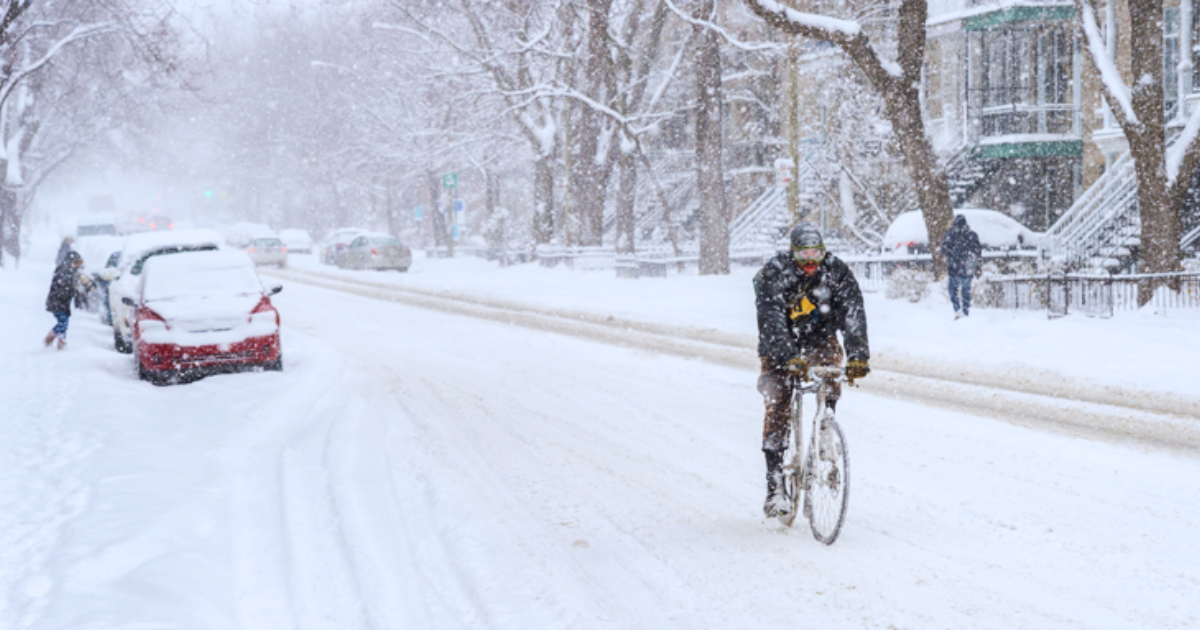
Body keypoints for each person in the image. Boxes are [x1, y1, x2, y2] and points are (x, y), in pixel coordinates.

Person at [753, 223, 870, 519]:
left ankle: (825, 424)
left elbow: (853, 311)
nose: (810, 261)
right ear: (793, 252)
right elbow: (771, 319)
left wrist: (857, 355)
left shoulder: (836, 272)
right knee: (778, 398)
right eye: (803, 253)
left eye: (815, 253)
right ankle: (775, 484)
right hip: (780, 341)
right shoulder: (775, 273)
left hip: (819, 336)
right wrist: (787, 355)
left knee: (831, 367)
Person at [940, 215, 982, 319]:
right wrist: (977, 266)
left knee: (953, 291)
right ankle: (966, 312)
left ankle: (957, 309)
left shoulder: (950, 234)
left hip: (954, 267)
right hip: (967, 268)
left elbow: (944, 251)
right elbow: (978, 252)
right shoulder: (972, 235)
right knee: (966, 291)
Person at [45, 251, 84, 350]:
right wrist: (69, 291)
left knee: (64, 322)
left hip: (63, 302)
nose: (76, 266)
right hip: (57, 301)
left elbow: (74, 289)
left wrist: (78, 300)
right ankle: (51, 336)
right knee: (63, 322)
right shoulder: (63, 271)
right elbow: (61, 287)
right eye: (75, 263)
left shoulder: (72, 272)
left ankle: (61, 341)